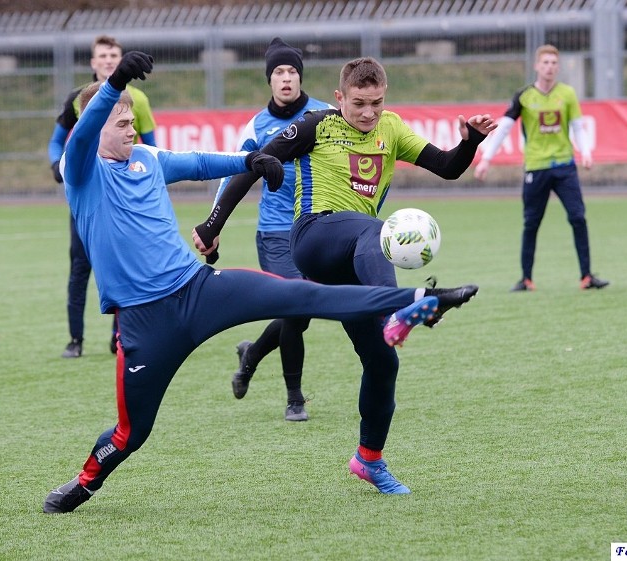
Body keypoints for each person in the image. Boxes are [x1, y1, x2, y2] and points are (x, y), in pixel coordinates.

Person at [43, 51, 479, 512]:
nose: (132, 129)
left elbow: (198, 162)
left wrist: (252, 159)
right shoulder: (81, 170)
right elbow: (89, 128)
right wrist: (113, 84)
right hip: (146, 322)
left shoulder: (148, 158)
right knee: (133, 433)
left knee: (300, 294)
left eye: (133, 119)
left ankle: (420, 298)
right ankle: (85, 482)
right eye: (121, 122)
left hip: (199, 289)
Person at [193, 56, 493, 494]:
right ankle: (404, 306)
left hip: (358, 263)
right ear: (340, 98)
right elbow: (252, 164)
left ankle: (369, 459)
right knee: (376, 229)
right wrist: (212, 226)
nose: (369, 113)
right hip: (314, 236)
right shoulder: (317, 125)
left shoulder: (391, 128)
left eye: (376, 102)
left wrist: (470, 143)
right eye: (359, 104)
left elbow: (447, 166)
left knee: (382, 360)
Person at [214, 38, 333, 422]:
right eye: (279, 72)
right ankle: (295, 397)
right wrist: (215, 223)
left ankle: (251, 353)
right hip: (276, 233)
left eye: (292, 72)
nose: (286, 78)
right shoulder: (256, 126)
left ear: (300, 77)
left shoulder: (326, 114)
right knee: (295, 306)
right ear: (269, 80)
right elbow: (232, 173)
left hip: (318, 227)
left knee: (301, 313)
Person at [47, 34, 157, 358]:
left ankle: (119, 336)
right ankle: (75, 340)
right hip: (88, 198)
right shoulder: (78, 98)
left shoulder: (138, 98)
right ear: (93, 62)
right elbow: (56, 141)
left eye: (114, 56)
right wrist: (57, 163)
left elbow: (151, 146)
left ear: (122, 60)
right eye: (103, 56)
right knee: (80, 266)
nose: (109, 61)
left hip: (123, 197)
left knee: (121, 264)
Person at [473, 44, 609, 292]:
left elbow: (578, 126)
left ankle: (587, 276)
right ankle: (526, 279)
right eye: (545, 63)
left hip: (565, 167)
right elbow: (503, 128)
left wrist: (586, 152)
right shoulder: (524, 96)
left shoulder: (567, 94)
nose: (549, 67)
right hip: (536, 168)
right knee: (531, 223)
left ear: (558, 67)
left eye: (554, 63)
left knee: (578, 217)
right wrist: (486, 159)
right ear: (537, 66)